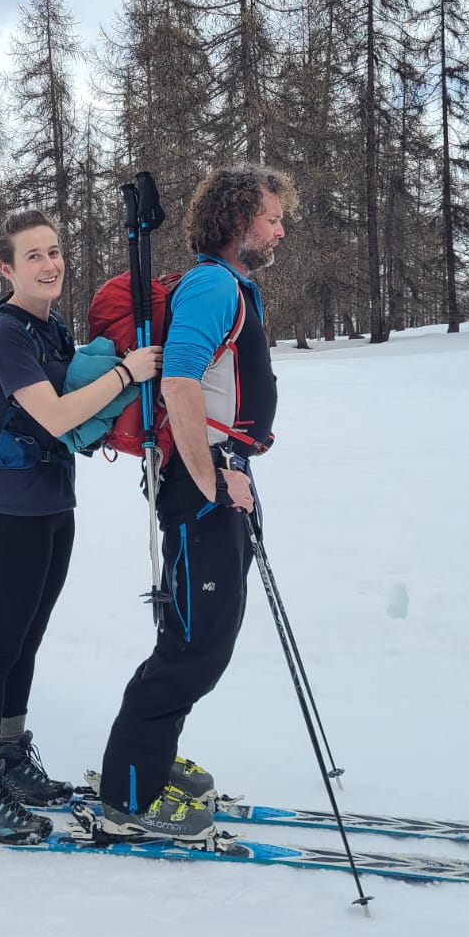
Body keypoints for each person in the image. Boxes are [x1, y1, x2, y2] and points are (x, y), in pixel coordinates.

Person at [95, 164, 293, 842]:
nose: (279, 229)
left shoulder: (234, 286)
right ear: (239, 221)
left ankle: (146, 764)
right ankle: (129, 795)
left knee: (198, 637)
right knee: (194, 648)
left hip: (221, 480)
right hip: (203, 486)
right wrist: (214, 481)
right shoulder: (213, 284)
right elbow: (179, 383)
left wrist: (231, 475)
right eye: (271, 217)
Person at [0, 208, 161, 844]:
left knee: (28, 640)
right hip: (8, 511)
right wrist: (128, 373)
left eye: (54, 251)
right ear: (6, 268)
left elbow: (76, 417)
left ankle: (12, 758)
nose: (50, 264)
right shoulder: (4, 336)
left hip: (52, 506)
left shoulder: (53, 328)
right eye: (34, 256)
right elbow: (52, 416)